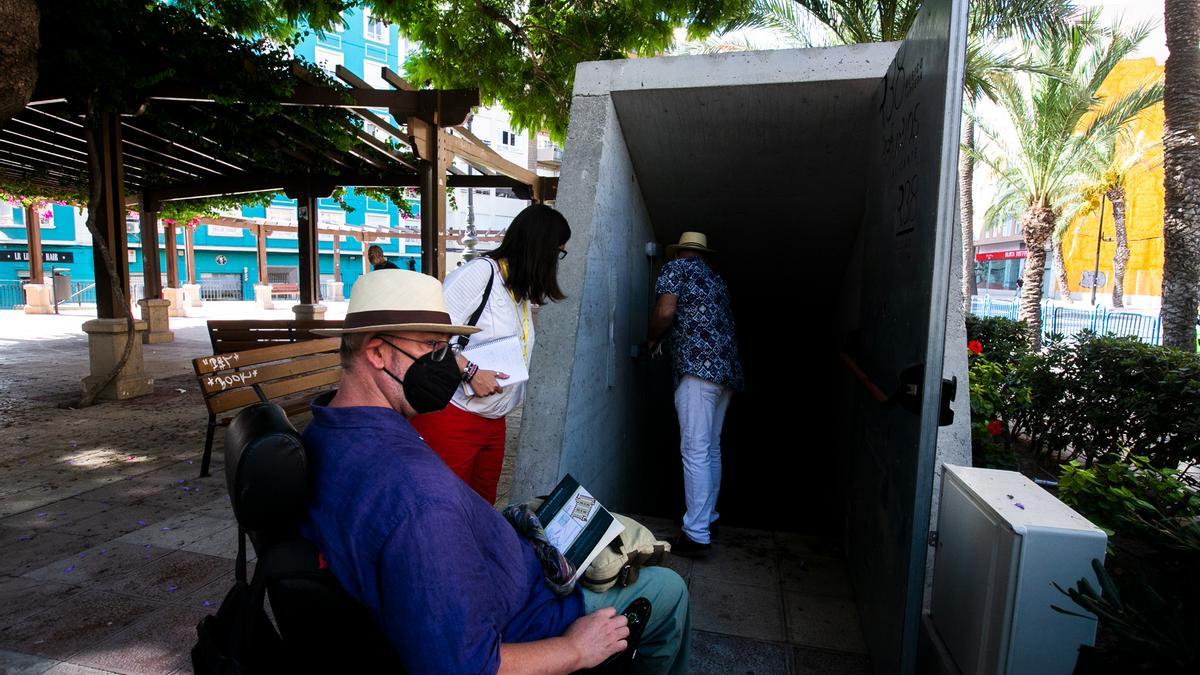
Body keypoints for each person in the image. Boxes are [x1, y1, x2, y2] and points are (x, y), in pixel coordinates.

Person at [304, 270, 691, 673]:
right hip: (536, 616)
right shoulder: (419, 500)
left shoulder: (326, 428)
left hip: (508, 572)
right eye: (432, 347)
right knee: (669, 589)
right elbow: (465, 665)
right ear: (377, 353)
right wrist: (575, 649)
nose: (448, 364)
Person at [410, 204, 571, 505]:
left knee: (481, 510)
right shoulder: (479, 275)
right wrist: (469, 371)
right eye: (558, 253)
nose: (557, 262)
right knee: (444, 508)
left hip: (493, 422)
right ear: (542, 248)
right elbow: (425, 336)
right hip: (453, 416)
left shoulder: (517, 290)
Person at [648, 232, 744, 557]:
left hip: (697, 371)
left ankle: (696, 534)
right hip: (726, 372)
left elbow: (664, 312)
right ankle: (709, 518)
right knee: (711, 448)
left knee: (694, 450)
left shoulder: (675, 268)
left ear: (680, 251)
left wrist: (651, 337)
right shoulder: (717, 279)